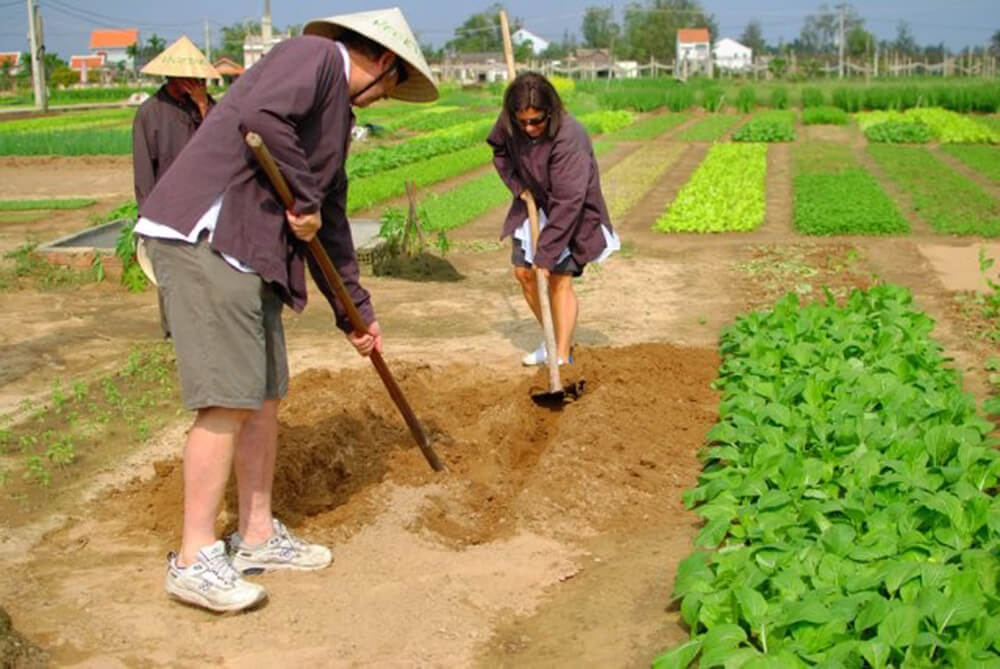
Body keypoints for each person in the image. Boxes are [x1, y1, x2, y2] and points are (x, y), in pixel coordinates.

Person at [133, 8, 438, 613]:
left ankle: (256, 534)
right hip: (207, 239)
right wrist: (303, 195)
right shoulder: (314, 58)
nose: (385, 100)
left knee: (264, 396)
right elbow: (258, 116)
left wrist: (356, 312)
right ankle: (194, 558)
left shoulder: (336, 120)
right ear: (383, 62)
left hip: (254, 258)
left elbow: (329, 222)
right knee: (227, 397)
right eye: (393, 88)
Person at [487, 72, 620, 367]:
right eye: (523, 122)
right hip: (534, 204)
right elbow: (499, 149)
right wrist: (517, 186)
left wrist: (546, 255)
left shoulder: (570, 137)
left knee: (559, 279)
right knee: (524, 274)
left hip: (570, 213)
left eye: (537, 121)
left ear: (552, 111)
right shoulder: (511, 122)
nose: (530, 128)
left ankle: (561, 355)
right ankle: (552, 337)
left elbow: (568, 201)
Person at [132, 35, 220, 338]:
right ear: (173, 76)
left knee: (206, 267)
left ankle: (207, 328)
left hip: (205, 202)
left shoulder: (208, 108)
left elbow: (218, 146)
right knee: (171, 270)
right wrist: (147, 215)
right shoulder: (150, 113)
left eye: (198, 79)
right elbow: (144, 169)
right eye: (190, 79)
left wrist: (202, 105)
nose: (195, 83)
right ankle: (174, 330)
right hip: (166, 205)